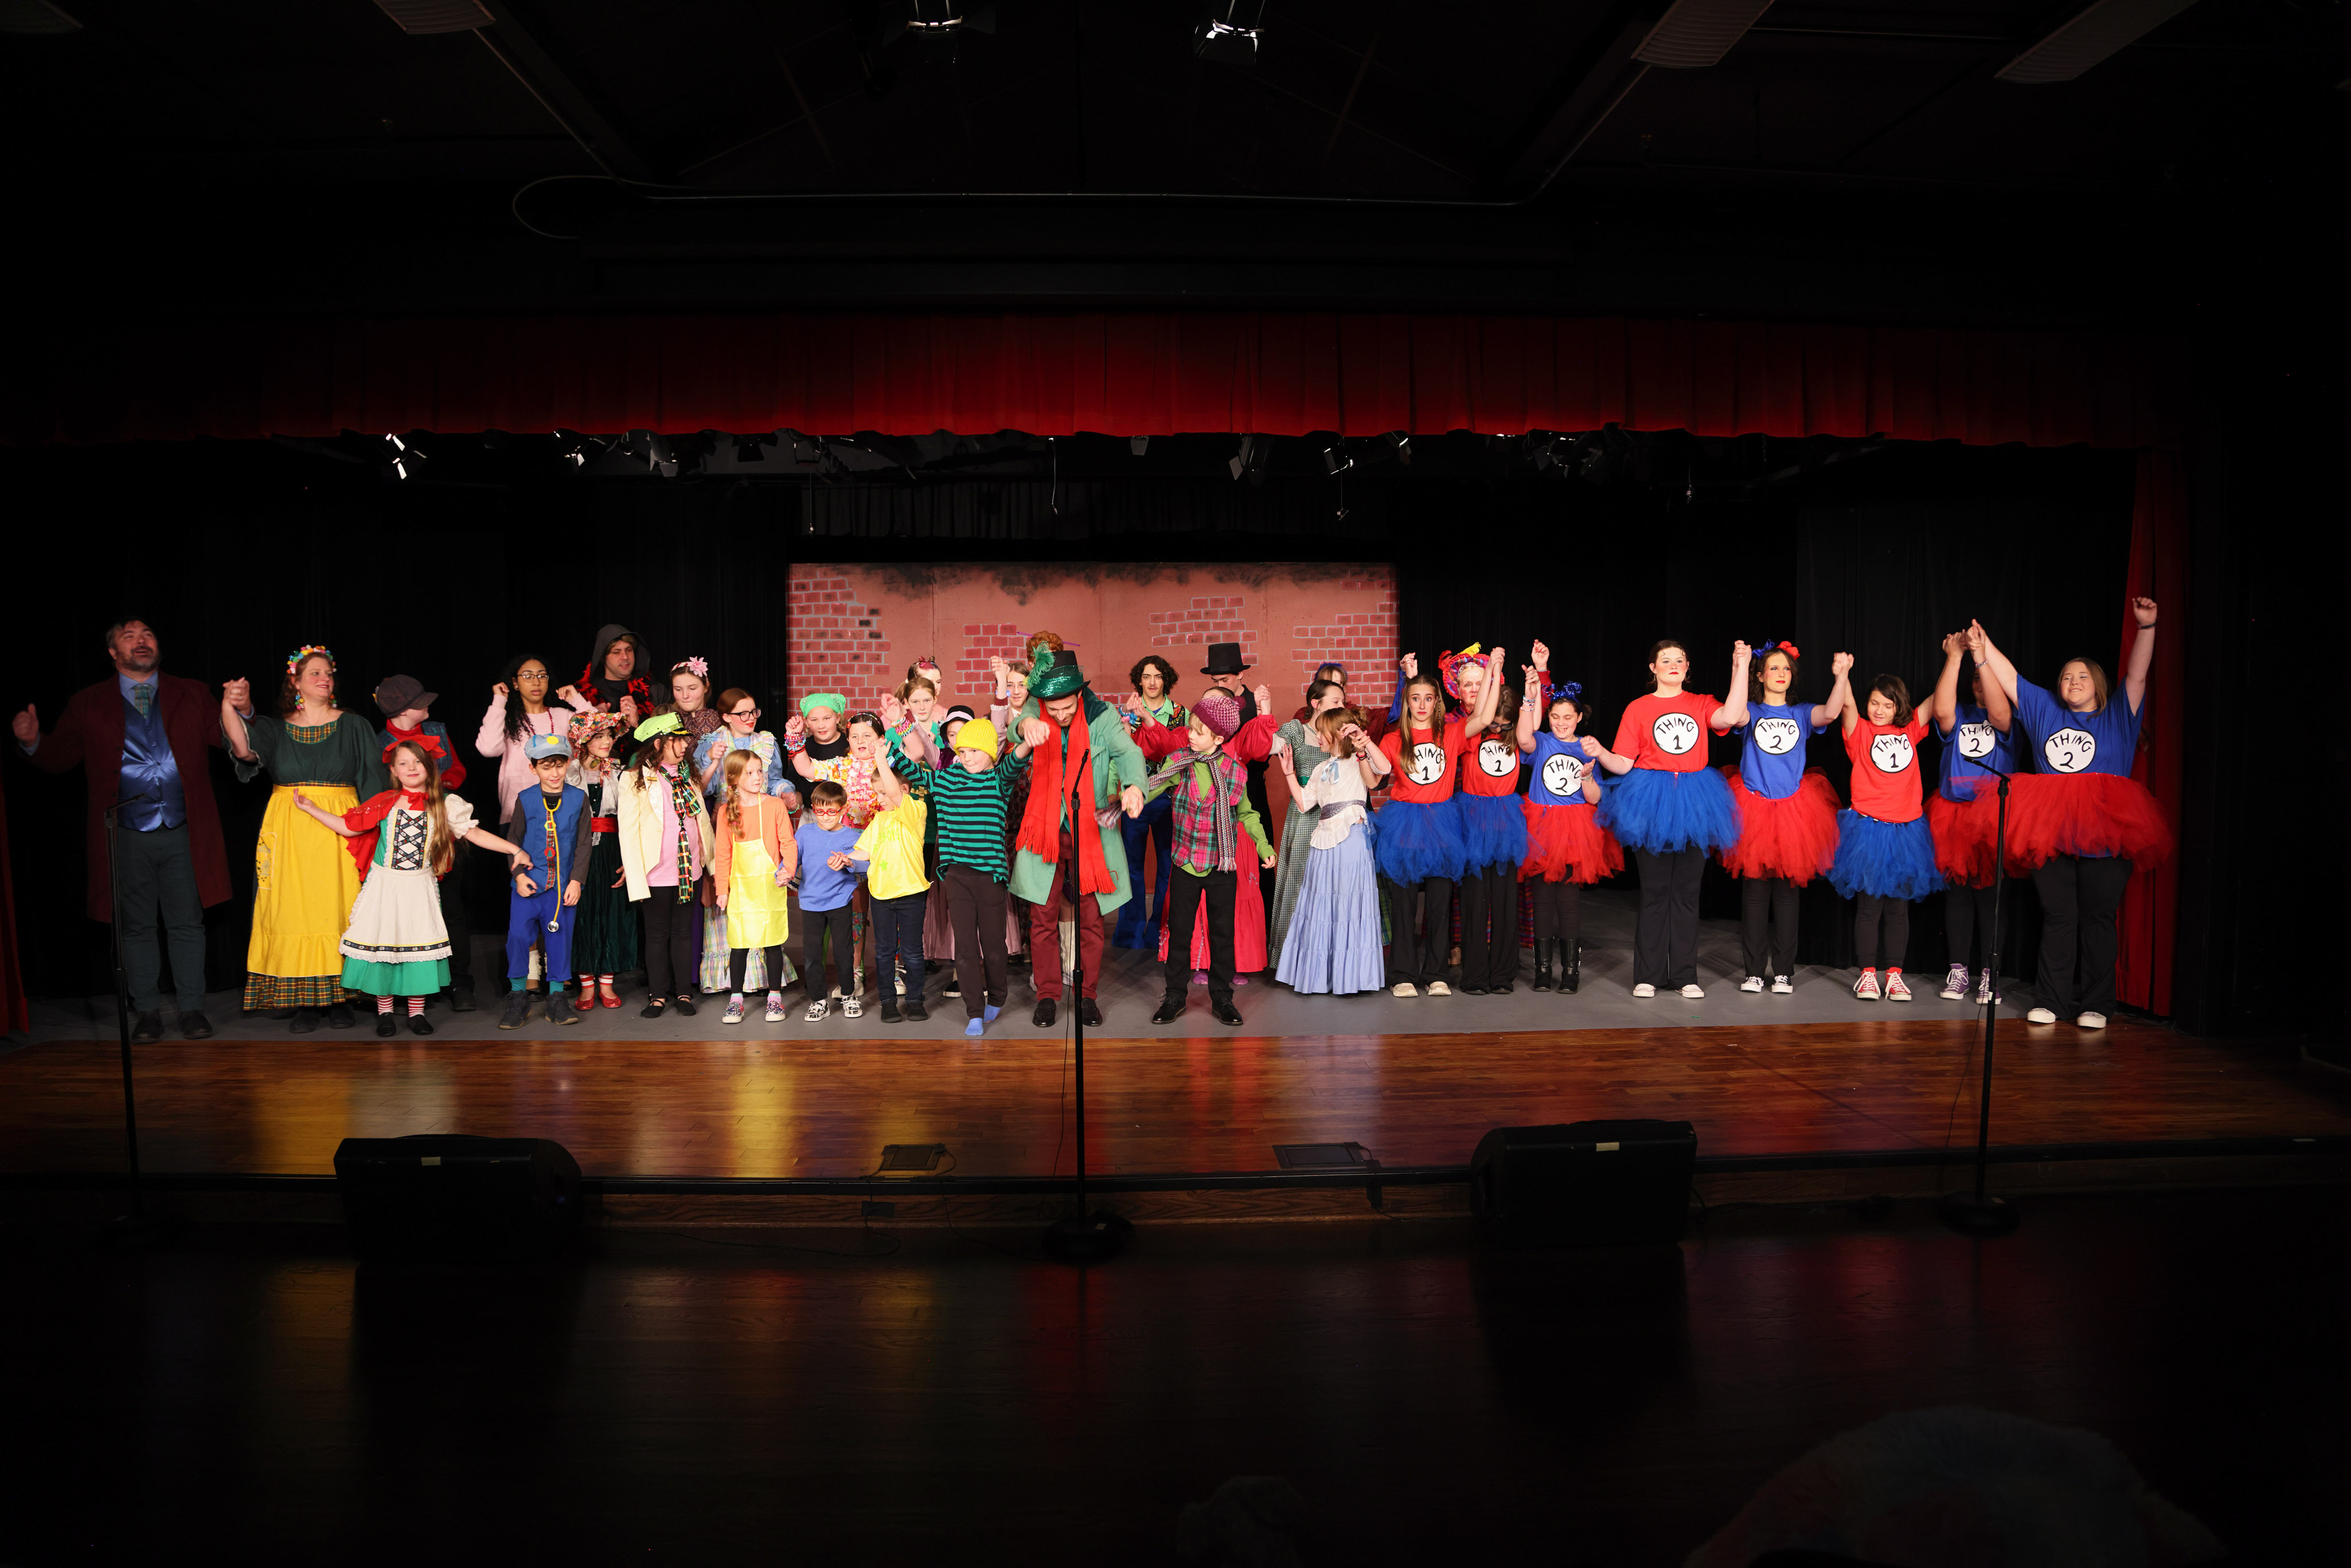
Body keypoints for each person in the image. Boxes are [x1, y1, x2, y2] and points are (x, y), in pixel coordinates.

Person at [11, 618, 233, 1041]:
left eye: (147, 634)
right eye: (129, 637)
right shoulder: (88, 702)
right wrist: (33, 742)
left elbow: (229, 737)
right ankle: (147, 1011)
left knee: (187, 923)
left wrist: (242, 711)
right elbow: (60, 757)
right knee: (135, 926)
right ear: (114, 653)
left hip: (183, 829)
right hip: (125, 833)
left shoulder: (191, 691)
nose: (140, 641)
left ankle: (191, 1009)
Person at [1969, 602, 2170, 1030]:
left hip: (2105, 826)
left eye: (2082, 676)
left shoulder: (2118, 715)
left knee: (2098, 917)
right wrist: (1983, 648)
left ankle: (2097, 1004)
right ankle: (2051, 1000)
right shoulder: (2045, 709)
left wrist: (2147, 627)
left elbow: (2137, 675)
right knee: (2058, 915)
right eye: (2066, 676)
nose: (2073, 682)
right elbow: (2011, 679)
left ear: (2097, 684)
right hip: (2052, 827)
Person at [294, 740, 524, 1036]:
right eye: (404, 763)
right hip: (385, 887)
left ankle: (417, 1013)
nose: (411, 768)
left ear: (429, 767)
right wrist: (312, 809)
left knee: (419, 947)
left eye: (417, 762)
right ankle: (385, 1013)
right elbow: (349, 827)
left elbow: (475, 834)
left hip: (419, 888)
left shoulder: (444, 804)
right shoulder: (385, 802)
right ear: (394, 770)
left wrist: (515, 850)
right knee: (384, 945)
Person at [220, 646, 388, 1031]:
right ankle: (304, 1001)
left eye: (328, 673)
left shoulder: (354, 725)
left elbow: (373, 782)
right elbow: (243, 750)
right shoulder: (275, 728)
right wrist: (229, 705)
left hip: (340, 826)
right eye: (314, 673)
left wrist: (375, 832)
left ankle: (342, 995)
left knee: (341, 905)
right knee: (293, 909)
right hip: (290, 827)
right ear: (295, 682)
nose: (324, 679)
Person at [1594, 640, 1741, 999]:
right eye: (1666, 660)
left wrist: (1740, 667)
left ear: (1687, 667)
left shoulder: (1701, 703)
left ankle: (1685, 976)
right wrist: (1600, 752)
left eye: (1680, 660)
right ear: (1653, 668)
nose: (1673, 665)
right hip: (1651, 801)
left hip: (1695, 800)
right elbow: (1623, 764)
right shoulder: (1638, 708)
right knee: (1655, 892)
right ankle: (1648, 975)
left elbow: (1731, 717)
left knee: (1687, 894)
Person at [1009, 651, 1149, 1028]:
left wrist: (1135, 786)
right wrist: (1027, 726)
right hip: (1045, 831)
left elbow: (1129, 752)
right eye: (1052, 710)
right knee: (1042, 917)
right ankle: (1047, 996)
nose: (1060, 715)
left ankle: (1088, 996)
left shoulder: (1102, 716)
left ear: (1079, 694)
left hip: (1090, 830)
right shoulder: (1037, 709)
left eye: (1067, 708)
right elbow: (1019, 723)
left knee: (1091, 918)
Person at [1713, 641, 1849, 995]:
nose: (1781, 674)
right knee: (1755, 895)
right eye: (1773, 668)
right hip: (1754, 808)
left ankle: (1784, 972)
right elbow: (1734, 714)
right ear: (1761, 676)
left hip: (1794, 811)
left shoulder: (1801, 713)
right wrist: (1741, 666)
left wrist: (1842, 677)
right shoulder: (1751, 712)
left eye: (1786, 668)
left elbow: (1830, 713)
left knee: (1788, 896)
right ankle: (1754, 972)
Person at [887, 713, 1034, 1037]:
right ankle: (974, 1012)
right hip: (956, 876)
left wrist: (1028, 741)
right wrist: (898, 729)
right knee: (965, 948)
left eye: (974, 752)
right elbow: (911, 769)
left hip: (990, 877)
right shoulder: (946, 780)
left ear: (990, 754)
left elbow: (1016, 761)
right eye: (962, 751)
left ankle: (998, 996)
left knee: (993, 946)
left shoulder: (998, 779)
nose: (967, 757)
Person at [1141, 689, 1276, 1026]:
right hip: (1186, 862)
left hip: (1221, 865)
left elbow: (1247, 813)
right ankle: (1175, 996)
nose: (1190, 735)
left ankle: (1222, 997)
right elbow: (1153, 786)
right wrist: (1132, 796)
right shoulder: (1179, 762)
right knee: (1180, 932)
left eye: (1198, 731)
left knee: (1222, 934)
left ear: (1218, 738)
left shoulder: (1234, 770)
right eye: (1190, 728)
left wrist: (1264, 846)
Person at [1376, 652, 1503, 997]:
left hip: (1442, 824)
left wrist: (1494, 671)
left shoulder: (1452, 733)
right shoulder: (1392, 740)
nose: (1421, 705)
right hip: (1404, 824)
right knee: (1404, 905)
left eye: (1428, 699)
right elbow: (1373, 778)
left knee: (1439, 904)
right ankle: (1402, 974)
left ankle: (1436, 974)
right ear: (1407, 702)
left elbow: (1485, 716)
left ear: (1437, 703)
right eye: (1415, 698)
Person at [475, 653, 591, 1000]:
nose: (536, 681)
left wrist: (577, 700)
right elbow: (486, 748)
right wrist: (499, 702)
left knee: (558, 894)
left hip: (563, 813)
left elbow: (597, 730)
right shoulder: (510, 717)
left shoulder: (562, 716)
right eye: (527, 676)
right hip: (520, 814)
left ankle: (557, 971)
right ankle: (530, 973)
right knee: (527, 895)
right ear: (514, 683)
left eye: (542, 675)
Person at [1829, 674, 1940, 1001]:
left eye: (1888, 705)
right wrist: (1843, 674)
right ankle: (1867, 975)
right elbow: (1847, 704)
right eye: (1874, 703)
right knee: (1869, 907)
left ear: (1899, 707)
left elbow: (1936, 701)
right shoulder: (1860, 732)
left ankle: (1894, 975)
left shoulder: (1910, 729)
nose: (1879, 710)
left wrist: (1955, 658)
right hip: (1869, 829)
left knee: (1898, 909)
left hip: (1906, 831)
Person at [1513, 654, 1619, 995]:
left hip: (1575, 830)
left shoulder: (1588, 748)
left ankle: (1571, 972)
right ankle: (1543, 971)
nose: (1561, 723)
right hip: (1541, 827)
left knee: (1568, 903)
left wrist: (1587, 776)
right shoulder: (1543, 741)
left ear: (1579, 719)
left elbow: (1595, 798)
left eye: (1567, 718)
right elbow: (1524, 739)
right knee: (1542, 901)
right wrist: (1530, 699)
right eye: (1556, 717)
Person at [373, 673, 479, 1012]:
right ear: (405, 710)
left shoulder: (437, 731)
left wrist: (440, 787)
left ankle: (459, 982)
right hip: (404, 842)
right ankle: (409, 987)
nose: (428, 706)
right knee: (405, 917)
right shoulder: (380, 742)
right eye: (421, 702)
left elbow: (457, 768)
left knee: (451, 909)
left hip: (441, 829)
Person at [1927, 627, 2017, 1004]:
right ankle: (1959, 969)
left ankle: (1989, 974)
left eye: (1987, 678)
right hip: (1954, 814)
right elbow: (1941, 711)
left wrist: (1981, 659)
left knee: (1991, 898)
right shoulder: (1960, 714)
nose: (1981, 683)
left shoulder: (2007, 718)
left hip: (1993, 815)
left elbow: (1999, 714)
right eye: (1976, 680)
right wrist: (1955, 656)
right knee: (1958, 898)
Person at [1272, 708, 1389, 998]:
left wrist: (1364, 743)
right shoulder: (1321, 767)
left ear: (1337, 734)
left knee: (1349, 903)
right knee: (1322, 905)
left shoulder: (1357, 759)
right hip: (1323, 840)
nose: (1318, 737)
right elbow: (1304, 803)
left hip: (1351, 836)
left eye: (1322, 732)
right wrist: (1289, 772)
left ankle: (1350, 978)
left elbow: (1382, 771)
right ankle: (1323, 977)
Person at [616, 711, 711, 1020]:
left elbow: (702, 822)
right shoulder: (635, 779)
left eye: (684, 740)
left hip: (689, 869)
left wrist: (709, 864)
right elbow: (628, 832)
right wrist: (636, 877)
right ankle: (657, 995)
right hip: (656, 872)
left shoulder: (687, 775)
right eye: (677, 740)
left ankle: (683, 992)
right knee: (657, 935)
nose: (684, 746)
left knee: (683, 932)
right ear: (658, 744)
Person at [1447, 646, 1529, 995]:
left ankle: (1503, 974)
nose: (1495, 725)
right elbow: (1480, 714)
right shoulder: (1470, 734)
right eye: (1492, 719)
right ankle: (1476, 974)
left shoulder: (1517, 738)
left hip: (1506, 820)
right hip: (1474, 818)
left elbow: (1530, 722)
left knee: (1506, 899)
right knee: (1474, 900)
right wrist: (1493, 671)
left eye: (1501, 722)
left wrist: (1534, 687)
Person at [496, 733, 592, 1029]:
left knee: (559, 939)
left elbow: (584, 844)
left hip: (562, 888)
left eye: (560, 766)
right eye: (546, 767)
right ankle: (518, 997)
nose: (554, 774)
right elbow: (513, 842)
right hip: (529, 884)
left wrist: (576, 880)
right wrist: (518, 876)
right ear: (533, 768)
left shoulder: (579, 799)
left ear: (568, 764)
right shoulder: (526, 799)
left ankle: (556, 999)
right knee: (518, 938)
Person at [1263, 676, 1356, 971]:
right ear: (1316, 703)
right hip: (1306, 816)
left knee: (1334, 886)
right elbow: (1268, 746)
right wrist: (1266, 709)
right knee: (1301, 882)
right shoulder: (1296, 730)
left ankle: (1331, 957)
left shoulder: (1344, 732)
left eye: (1343, 702)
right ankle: (1293, 958)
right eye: (1335, 701)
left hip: (1338, 816)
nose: (1341, 706)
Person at [712, 749, 796, 1026]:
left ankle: (775, 997)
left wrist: (787, 870)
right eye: (749, 773)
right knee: (739, 944)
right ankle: (736, 1000)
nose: (758, 777)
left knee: (773, 943)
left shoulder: (775, 806)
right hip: (741, 889)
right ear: (734, 778)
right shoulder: (726, 812)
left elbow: (788, 843)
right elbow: (723, 854)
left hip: (770, 884)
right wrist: (722, 889)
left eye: (760, 771)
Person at [564, 711, 638, 1010]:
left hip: (612, 849)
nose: (607, 741)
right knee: (582, 914)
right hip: (578, 850)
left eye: (609, 736)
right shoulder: (569, 773)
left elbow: (630, 819)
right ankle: (586, 986)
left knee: (611, 912)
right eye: (599, 736)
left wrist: (629, 859)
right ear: (583, 742)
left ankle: (607, 984)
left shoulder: (619, 772)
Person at [850, 748, 930, 1024]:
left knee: (913, 952)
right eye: (877, 793)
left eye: (884, 793)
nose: (880, 799)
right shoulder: (879, 820)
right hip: (881, 896)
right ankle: (887, 1002)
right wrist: (846, 858)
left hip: (911, 894)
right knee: (884, 952)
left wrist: (881, 760)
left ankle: (915, 1000)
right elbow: (864, 851)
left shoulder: (915, 811)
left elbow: (895, 794)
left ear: (903, 790)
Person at [1114, 654, 1186, 954]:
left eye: (1158, 676)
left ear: (1166, 680)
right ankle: (1131, 933)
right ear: (1139, 681)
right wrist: (1128, 725)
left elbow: (1174, 752)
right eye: (1146, 677)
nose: (1152, 682)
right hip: (1134, 798)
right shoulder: (1125, 712)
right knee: (1131, 865)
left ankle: (1160, 931)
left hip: (1169, 798)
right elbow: (1121, 754)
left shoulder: (1180, 713)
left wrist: (1148, 721)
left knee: (1168, 866)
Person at [794, 780, 864, 1022]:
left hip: (840, 902)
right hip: (811, 903)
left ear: (843, 809)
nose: (825, 817)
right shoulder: (805, 833)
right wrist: (783, 872)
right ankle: (818, 1001)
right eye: (820, 811)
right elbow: (792, 859)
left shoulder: (853, 836)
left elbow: (867, 865)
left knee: (844, 952)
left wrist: (849, 862)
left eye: (832, 812)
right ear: (813, 808)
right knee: (812, 955)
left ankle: (849, 996)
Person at [576, 624, 654, 723]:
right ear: (603, 657)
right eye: (617, 652)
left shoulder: (654, 690)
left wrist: (638, 724)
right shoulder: (583, 695)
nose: (625, 657)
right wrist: (593, 722)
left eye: (629, 650)